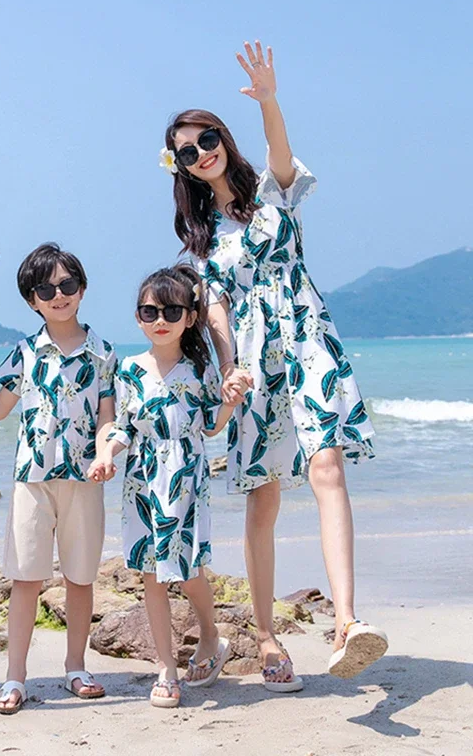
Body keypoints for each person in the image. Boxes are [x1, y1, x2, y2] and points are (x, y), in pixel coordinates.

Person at [160, 40, 388, 690]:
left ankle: (345, 621)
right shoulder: (202, 246)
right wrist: (230, 368)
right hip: (255, 364)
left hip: (310, 338)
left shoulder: (274, 195)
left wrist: (268, 100)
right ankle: (263, 635)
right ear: (180, 167)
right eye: (188, 150)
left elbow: (281, 154)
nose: (203, 150)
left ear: (224, 138)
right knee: (261, 500)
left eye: (208, 137)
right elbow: (218, 314)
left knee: (326, 467)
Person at [0, 243, 115, 714]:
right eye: (45, 288)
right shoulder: (23, 353)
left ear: (83, 289)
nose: (59, 295)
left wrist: (105, 453)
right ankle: (14, 677)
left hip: (84, 481)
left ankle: (76, 666)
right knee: (25, 580)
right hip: (31, 480)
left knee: (80, 579)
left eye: (67, 285)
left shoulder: (104, 354)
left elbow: (106, 419)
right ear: (32, 300)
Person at [88, 265, 250, 708]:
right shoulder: (129, 370)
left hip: (187, 476)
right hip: (142, 479)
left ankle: (211, 636)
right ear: (138, 317)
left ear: (190, 317)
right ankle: (166, 669)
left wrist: (231, 404)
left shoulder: (200, 370)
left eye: (171, 310)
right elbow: (122, 428)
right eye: (148, 311)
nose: (159, 319)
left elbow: (212, 427)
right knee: (151, 576)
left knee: (190, 570)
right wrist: (105, 457)